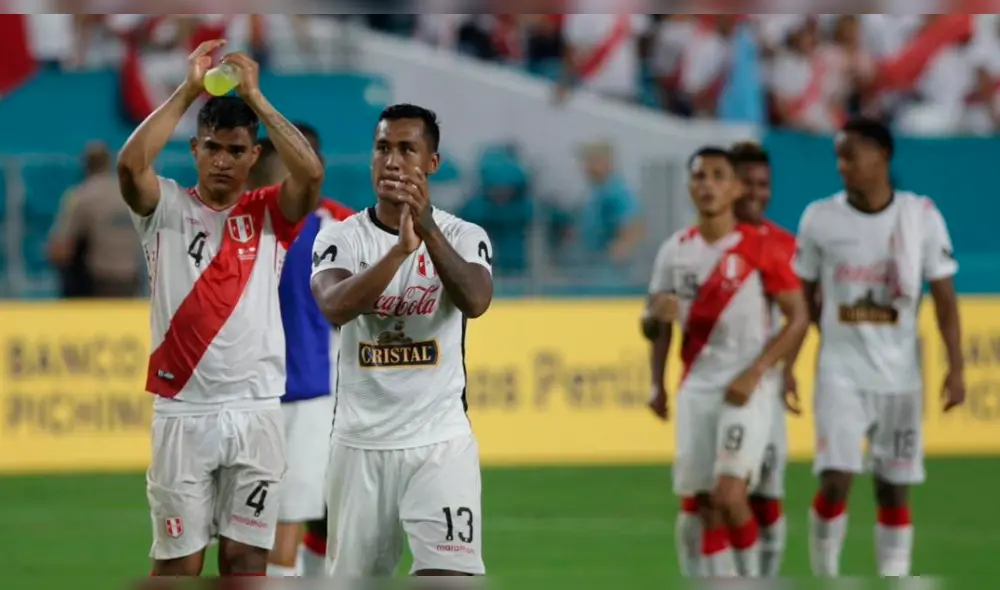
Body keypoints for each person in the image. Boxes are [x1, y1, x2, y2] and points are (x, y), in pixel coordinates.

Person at [116, 39, 324, 577]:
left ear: (255, 156)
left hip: (256, 410)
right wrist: (187, 90)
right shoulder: (164, 208)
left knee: (245, 563)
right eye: (212, 147)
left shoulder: (270, 214)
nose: (223, 160)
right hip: (184, 412)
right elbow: (130, 164)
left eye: (236, 150)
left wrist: (257, 99)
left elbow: (311, 176)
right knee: (179, 565)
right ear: (195, 150)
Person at [310, 103, 493, 580]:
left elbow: (475, 300)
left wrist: (426, 227)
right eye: (383, 148)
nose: (392, 161)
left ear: (432, 162)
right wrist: (398, 253)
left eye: (407, 149)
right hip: (360, 444)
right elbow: (334, 306)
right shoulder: (342, 238)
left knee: (451, 576)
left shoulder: (464, 235)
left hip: (440, 442)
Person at [796, 117, 964, 577]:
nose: (842, 165)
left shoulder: (921, 216)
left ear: (883, 156)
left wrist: (956, 368)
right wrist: (807, 351)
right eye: (838, 156)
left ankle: (895, 576)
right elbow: (801, 297)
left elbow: (945, 300)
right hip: (841, 373)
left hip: (901, 377)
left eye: (851, 155)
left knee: (894, 488)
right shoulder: (820, 218)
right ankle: (824, 575)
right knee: (836, 479)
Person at [643, 146, 808, 577]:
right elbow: (655, 327)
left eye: (719, 176)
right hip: (696, 387)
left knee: (731, 494)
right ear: (689, 185)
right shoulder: (675, 250)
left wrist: (757, 372)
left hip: (747, 391)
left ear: (735, 188)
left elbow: (799, 316)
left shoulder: (762, 248)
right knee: (699, 502)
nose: (708, 185)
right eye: (700, 176)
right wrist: (656, 381)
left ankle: (755, 580)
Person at [249, 127, 354, 578]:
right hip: (284, 395)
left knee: (294, 528)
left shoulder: (336, 230)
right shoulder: (316, 231)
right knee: (271, 535)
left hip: (302, 393)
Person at [48, 141, 142, 298]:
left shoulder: (81, 195)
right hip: (133, 278)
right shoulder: (132, 193)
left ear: (85, 165)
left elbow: (60, 249)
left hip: (99, 282)